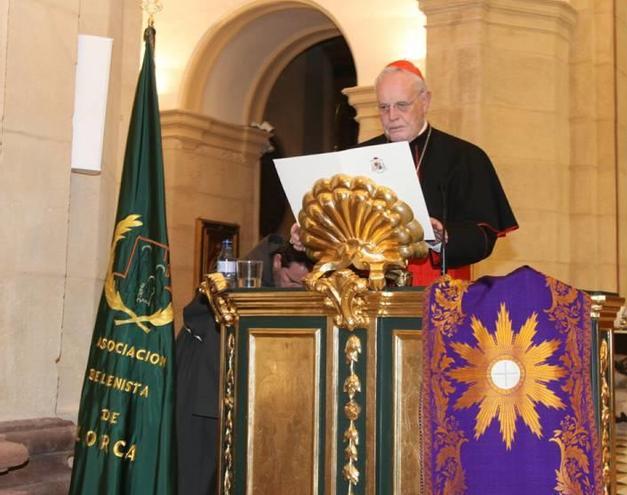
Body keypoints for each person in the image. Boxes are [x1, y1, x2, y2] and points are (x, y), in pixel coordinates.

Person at [291, 60, 518, 285]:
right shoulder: (356, 157)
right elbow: (342, 234)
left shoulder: (464, 157)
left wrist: (443, 237)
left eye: (402, 105)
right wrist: (313, 235)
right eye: (383, 107)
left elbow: (483, 236)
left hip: (436, 292)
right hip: (365, 290)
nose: (392, 115)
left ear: (425, 101)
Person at [175, 236, 310, 495]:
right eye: (292, 282)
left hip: (236, 390)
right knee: (196, 475)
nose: (295, 292)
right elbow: (195, 313)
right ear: (278, 262)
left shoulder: (282, 278)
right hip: (204, 385)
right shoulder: (239, 274)